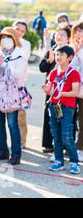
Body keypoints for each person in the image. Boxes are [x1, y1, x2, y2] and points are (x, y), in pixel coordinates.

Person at [0, 27, 28, 166]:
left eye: (8, 37)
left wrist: (4, 64)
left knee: (12, 124)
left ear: (14, 39)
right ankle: (3, 151)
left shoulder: (20, 56)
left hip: (12, 95)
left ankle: (16, 155)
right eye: (3, 38)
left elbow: (18, 75)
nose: (5, 40)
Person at [42, 45, 80, 174]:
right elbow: (51, 90)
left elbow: (75, 92)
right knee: (55, 135)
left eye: (61, 55)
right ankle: (59, 161)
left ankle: (74, 162)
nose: (57, 57)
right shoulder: (53, 72)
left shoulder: (73, 73)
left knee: (66, 136)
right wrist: (47, 89)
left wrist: (62, 94)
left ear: (69, 57)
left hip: (67, 107)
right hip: (54, 105)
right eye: (57, 54)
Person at [39, 28, 70, 154]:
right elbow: (42, 68)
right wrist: (49, 60)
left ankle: (66, 145)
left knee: (66, 117)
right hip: (52, 91)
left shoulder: (70, 51)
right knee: (50, 115)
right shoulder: (51, 50)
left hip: (66, 91)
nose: (60, 36)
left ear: (68, 38)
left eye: (63, 34)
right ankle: (48, 144)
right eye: (58, 34)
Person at [13, 20, 31, 149]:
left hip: (19, 83)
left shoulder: (26, 44)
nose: (19, 33)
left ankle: (22, 141)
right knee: (2, 112)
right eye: (17, 29)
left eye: (22, 31)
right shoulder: (3, 40)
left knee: (21, 114)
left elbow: (23, 59)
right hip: (4, 84)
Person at [70, 22, 83, 161]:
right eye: (77, 31)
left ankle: (80, 148)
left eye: (81, 31)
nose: (79, 34)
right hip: (70, 89)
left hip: (81, 88)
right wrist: (75, 50)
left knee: (82, 120)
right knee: (69, 119)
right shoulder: (71, 48)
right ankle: (69, 146)